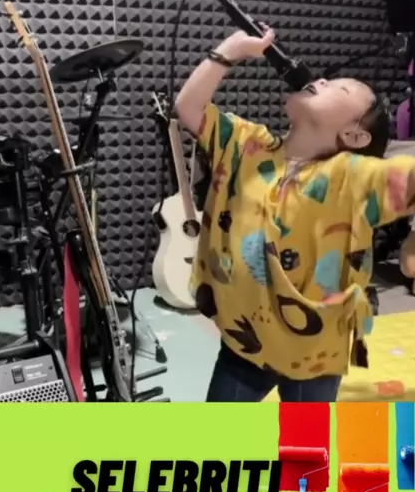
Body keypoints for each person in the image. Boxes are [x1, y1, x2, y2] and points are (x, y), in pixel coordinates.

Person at [175, 25, 415, 402]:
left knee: (305, 440)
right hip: (244, 343)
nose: (321, 80)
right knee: (217, 435)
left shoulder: (352, 178)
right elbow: (189, 108)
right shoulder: (246, 144)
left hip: (313, 356)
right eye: (326, 80)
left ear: (355, 136)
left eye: (340, 88)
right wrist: (229, 52)